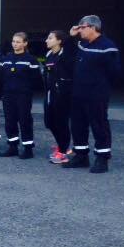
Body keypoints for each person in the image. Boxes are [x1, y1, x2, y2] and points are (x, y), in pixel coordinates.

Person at [63, 15, 122, 173]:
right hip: (78, 93)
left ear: (93, 28)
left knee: (99, 125)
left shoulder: (107, 47)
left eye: (82, 27)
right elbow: (67, 57)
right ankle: (81, 156)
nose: (79, 30)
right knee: (78, 125)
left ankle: (102, 158)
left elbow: (115, 72)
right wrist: (71, 37)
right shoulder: (82, 44)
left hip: (96, 94)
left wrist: (100, 86)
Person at [0, 32, 41, 159]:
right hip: (8, 95)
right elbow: (2, 77)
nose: (15, 44)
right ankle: (13, 147)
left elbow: (36, 79)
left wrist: (26, 90)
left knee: (24, 121)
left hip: (23, 96)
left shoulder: (31, 60)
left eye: (18, 42)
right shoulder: (6, 58)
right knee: (10, 121)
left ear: (25, 43)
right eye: (13, 41)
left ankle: (28, 149)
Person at [43, 30, 75, 163]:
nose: (46, 40)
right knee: (49, 122)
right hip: (50, 93)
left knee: (61, 123)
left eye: (50, 38)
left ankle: (62, 152)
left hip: (63, 94)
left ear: (59, 41)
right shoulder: (49, 54)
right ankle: (61, 145)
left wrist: (71, 36)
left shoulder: (65, 54)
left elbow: (71, 47)